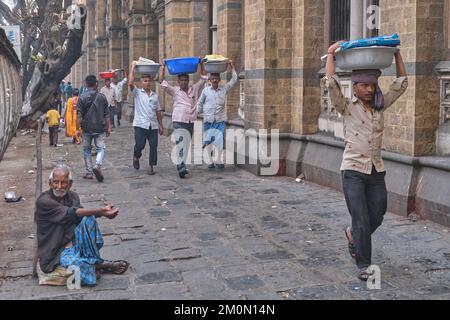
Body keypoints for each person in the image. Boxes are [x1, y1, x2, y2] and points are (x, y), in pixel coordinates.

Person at [325, 42, 408, 281]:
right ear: (355, 87)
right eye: (364, 85)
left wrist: (397, 53)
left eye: (372, 85)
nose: (370, 89)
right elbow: (331, 84)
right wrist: (331, 54)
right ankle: (364, 264)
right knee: (361, 217)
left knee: (378, 213)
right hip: (352, 171)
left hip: (375, 171)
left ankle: (353, 234)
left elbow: (401, 83)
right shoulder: (347, 108)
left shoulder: (381, 107)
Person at [36, 165, 129, 287]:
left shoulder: (73, 197)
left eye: (63, 183)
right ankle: (101, 265)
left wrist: (102, 214)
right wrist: (99, 211)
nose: (59, 187)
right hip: (56, 250)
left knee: (88, 219)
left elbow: (79, 215)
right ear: (50, 183)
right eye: (55, 182)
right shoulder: (44, 201)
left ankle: (94, 262)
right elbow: (70, 213)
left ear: (70, 184)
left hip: (74, 242)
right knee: (72, 264)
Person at [159, 58, 207, 178]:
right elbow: (161, 82)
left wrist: (201, 64)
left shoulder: (194, 89)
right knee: (181, 143)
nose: (184, 82)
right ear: (178, 81)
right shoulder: (175, 91)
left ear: (188, 80)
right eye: (182, 80)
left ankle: (182, 164)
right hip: (178, 121)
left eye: (186, 80)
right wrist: (163, 67)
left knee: (186, 144)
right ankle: (181, 167)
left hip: (190, 120)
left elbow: (203, 78)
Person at [196, 60, 237, 169]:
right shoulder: (205, 91)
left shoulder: (224, 89)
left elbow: (234, 80)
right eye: (212, 78)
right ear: (209, 80)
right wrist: (195, 114)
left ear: (219, 79)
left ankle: (218, 160)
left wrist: (231, 66)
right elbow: (200, 103)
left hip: (220, 120)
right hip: (208, 121)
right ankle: (210, 161)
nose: (214, 80)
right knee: (209, 141)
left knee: (219, 141)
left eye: (216, 78)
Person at [129, 63, 164, 175]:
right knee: (140, 145)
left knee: (153, 146)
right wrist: (132, 68)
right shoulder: (137, 93)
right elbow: (130, 83)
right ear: (141, 83)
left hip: (153, 125)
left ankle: (151, 166)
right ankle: (136, 156)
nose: (147, 83)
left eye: (149, 81)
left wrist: (161, 125)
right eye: (145, 81)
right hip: (140, 124)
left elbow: (158, 111)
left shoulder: (155, 96)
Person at [76, 75, 111, 182]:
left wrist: (77, 129)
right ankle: (98, 165)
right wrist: (108, 127)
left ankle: (89, 172)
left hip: (86, 128)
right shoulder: (102, 97)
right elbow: (107, 115)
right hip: (100, 127)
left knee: (87, 149)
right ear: (96, 84)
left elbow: (79, 116)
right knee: (101, 148)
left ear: (86, 84)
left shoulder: (81, 97)